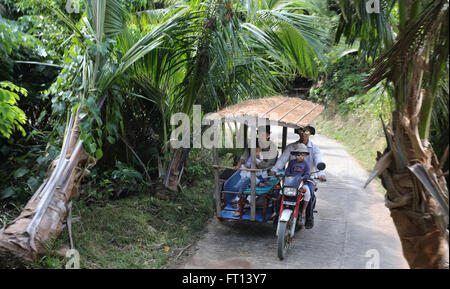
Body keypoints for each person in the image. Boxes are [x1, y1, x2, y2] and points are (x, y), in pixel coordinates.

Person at [269, 125, 326, 229]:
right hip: (291, 180)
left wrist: (321, 174)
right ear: (298, 133)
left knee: (311, 193)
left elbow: (318, 161)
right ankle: (278, 214)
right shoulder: (291, 147)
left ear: (310, 133)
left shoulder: (314, 148)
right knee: (277, 191)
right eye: (301, 131)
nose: (304, 133)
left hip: (307, 179)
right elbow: (282, 160)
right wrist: (274, 170)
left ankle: (309, 217)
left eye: (307, 131)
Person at [285, 143, 311, 225]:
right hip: (291, 183)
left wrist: (304, 177)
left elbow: (307, 173)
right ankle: (279, 209)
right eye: (298, 154)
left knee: (307, 193)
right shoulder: (291, 163)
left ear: (305, 156)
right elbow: (287, 171)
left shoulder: (305, 164)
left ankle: (303, 210)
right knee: (280, 192)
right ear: (295, 155)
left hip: (302, 184)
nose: (300, 156)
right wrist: (287, 175)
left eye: (302, 155)